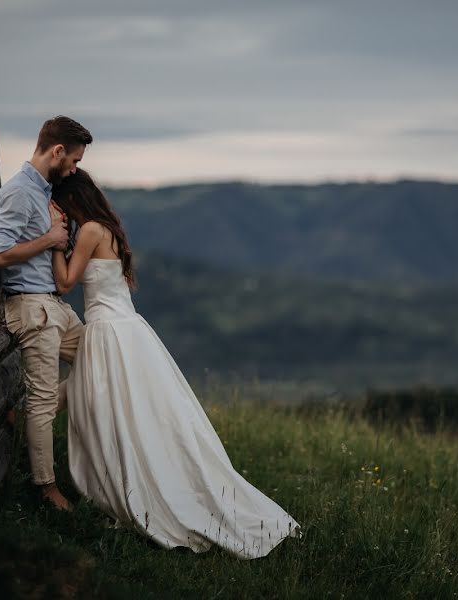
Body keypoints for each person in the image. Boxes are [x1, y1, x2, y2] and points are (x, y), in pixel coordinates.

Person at [49, 168, 301, 558]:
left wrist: (51, 240)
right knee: (130, 411)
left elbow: (65, 283)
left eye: (60, 205)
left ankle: (119, 482)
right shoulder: (108, 229)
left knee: (107, 412)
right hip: (128, 330)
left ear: (71, 201)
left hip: (108, 333)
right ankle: (34, 419)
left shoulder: (89, 232)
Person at [0, 116, 92, 511]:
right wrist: (49, 239)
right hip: (32, 307)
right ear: (57, 151)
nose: (75, 168)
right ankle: (45, 487)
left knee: (102, 359)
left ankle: (27, 417)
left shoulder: (43, 191)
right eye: (74, 159)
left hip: (54, 307)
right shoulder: (17, 192)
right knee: (44, 395)